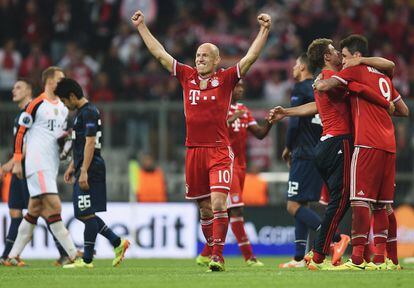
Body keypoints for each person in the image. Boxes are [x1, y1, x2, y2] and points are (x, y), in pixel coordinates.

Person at [131, 10, 271, 271]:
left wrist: (264, 30)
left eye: (205, 55)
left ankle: (217, 256)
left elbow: (250, 57)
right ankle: (213, 250)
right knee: (205, 209)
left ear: (217, 60)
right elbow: (160, 54)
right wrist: (141, 28)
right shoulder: (187, 76)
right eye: (197, 55)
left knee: (219, 203)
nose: (200, 59)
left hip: (219, 150)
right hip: (193, 151)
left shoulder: (227, 79)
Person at [269, 38, 395, 270]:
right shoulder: (332, 79)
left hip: (325, 145)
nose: (339, 53)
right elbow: (355, 88)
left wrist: (286, 112)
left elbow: (316, 106)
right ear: (327, 57)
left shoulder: (325, 80)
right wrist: (385, 103)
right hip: (340, 142)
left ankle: (348, 253)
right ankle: (324, 251)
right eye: (335, 51)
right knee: (347, 199)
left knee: (341, 200)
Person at [314, 34, 409, 270]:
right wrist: (379, 106)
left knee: (359, 200)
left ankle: (357, 259)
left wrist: (319, 84)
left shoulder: (355, 70)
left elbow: (328, 84)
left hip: (366, 143)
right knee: (383, 205)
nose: (343, 61)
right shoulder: (383, 76)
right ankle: (387, 259)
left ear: (356, 56)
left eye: (345, 56)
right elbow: (403, 110)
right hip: (389, 145)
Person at [5, 67, 78, 266]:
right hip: (37, 163)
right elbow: (20, 133)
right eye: (60, 79)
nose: (63, 82)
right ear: (50, 81)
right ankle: (72, 255)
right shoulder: (36, 104)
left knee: (34, 210)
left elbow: (61, 136)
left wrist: (66, 146)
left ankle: (11, 256)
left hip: (51, 165)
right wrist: (18, 160)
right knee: (54, 206)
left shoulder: (63, 108)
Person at [55, 78, 130, 268]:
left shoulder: (88, 112)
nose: (65, 105)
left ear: (72, 96)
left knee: (86, 214)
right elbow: (81, 145)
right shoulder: (82, 113)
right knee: (84, 213)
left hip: (91, 168)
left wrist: (83, 171)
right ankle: (117, 243)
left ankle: (88, 259)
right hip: (85, 166)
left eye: (64, 101)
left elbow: (90, 143)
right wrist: (73, 165)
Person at [196, 80, 272, 267]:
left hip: (241, 166)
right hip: (224, 164)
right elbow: (209, 130)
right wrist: (231, 118)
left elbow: (260, 134)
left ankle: (206, 253)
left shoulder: (244, 111)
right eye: (237, 87)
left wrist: (270, 121)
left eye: (242, 87)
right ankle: (249, 257)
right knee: (235, 210)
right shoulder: (217, 107)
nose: (241, 89)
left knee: (229, 211)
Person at [277, 54, 324, 268]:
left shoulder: (300, 89)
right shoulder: (318, 89)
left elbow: (294, 122)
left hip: (303, 152)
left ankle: (335, 237)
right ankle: (298, 257)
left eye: (296, 64)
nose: (293, 67)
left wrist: (288, 146)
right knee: (302, 203)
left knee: (292, 205)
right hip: (318, 150)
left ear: (303, 66)